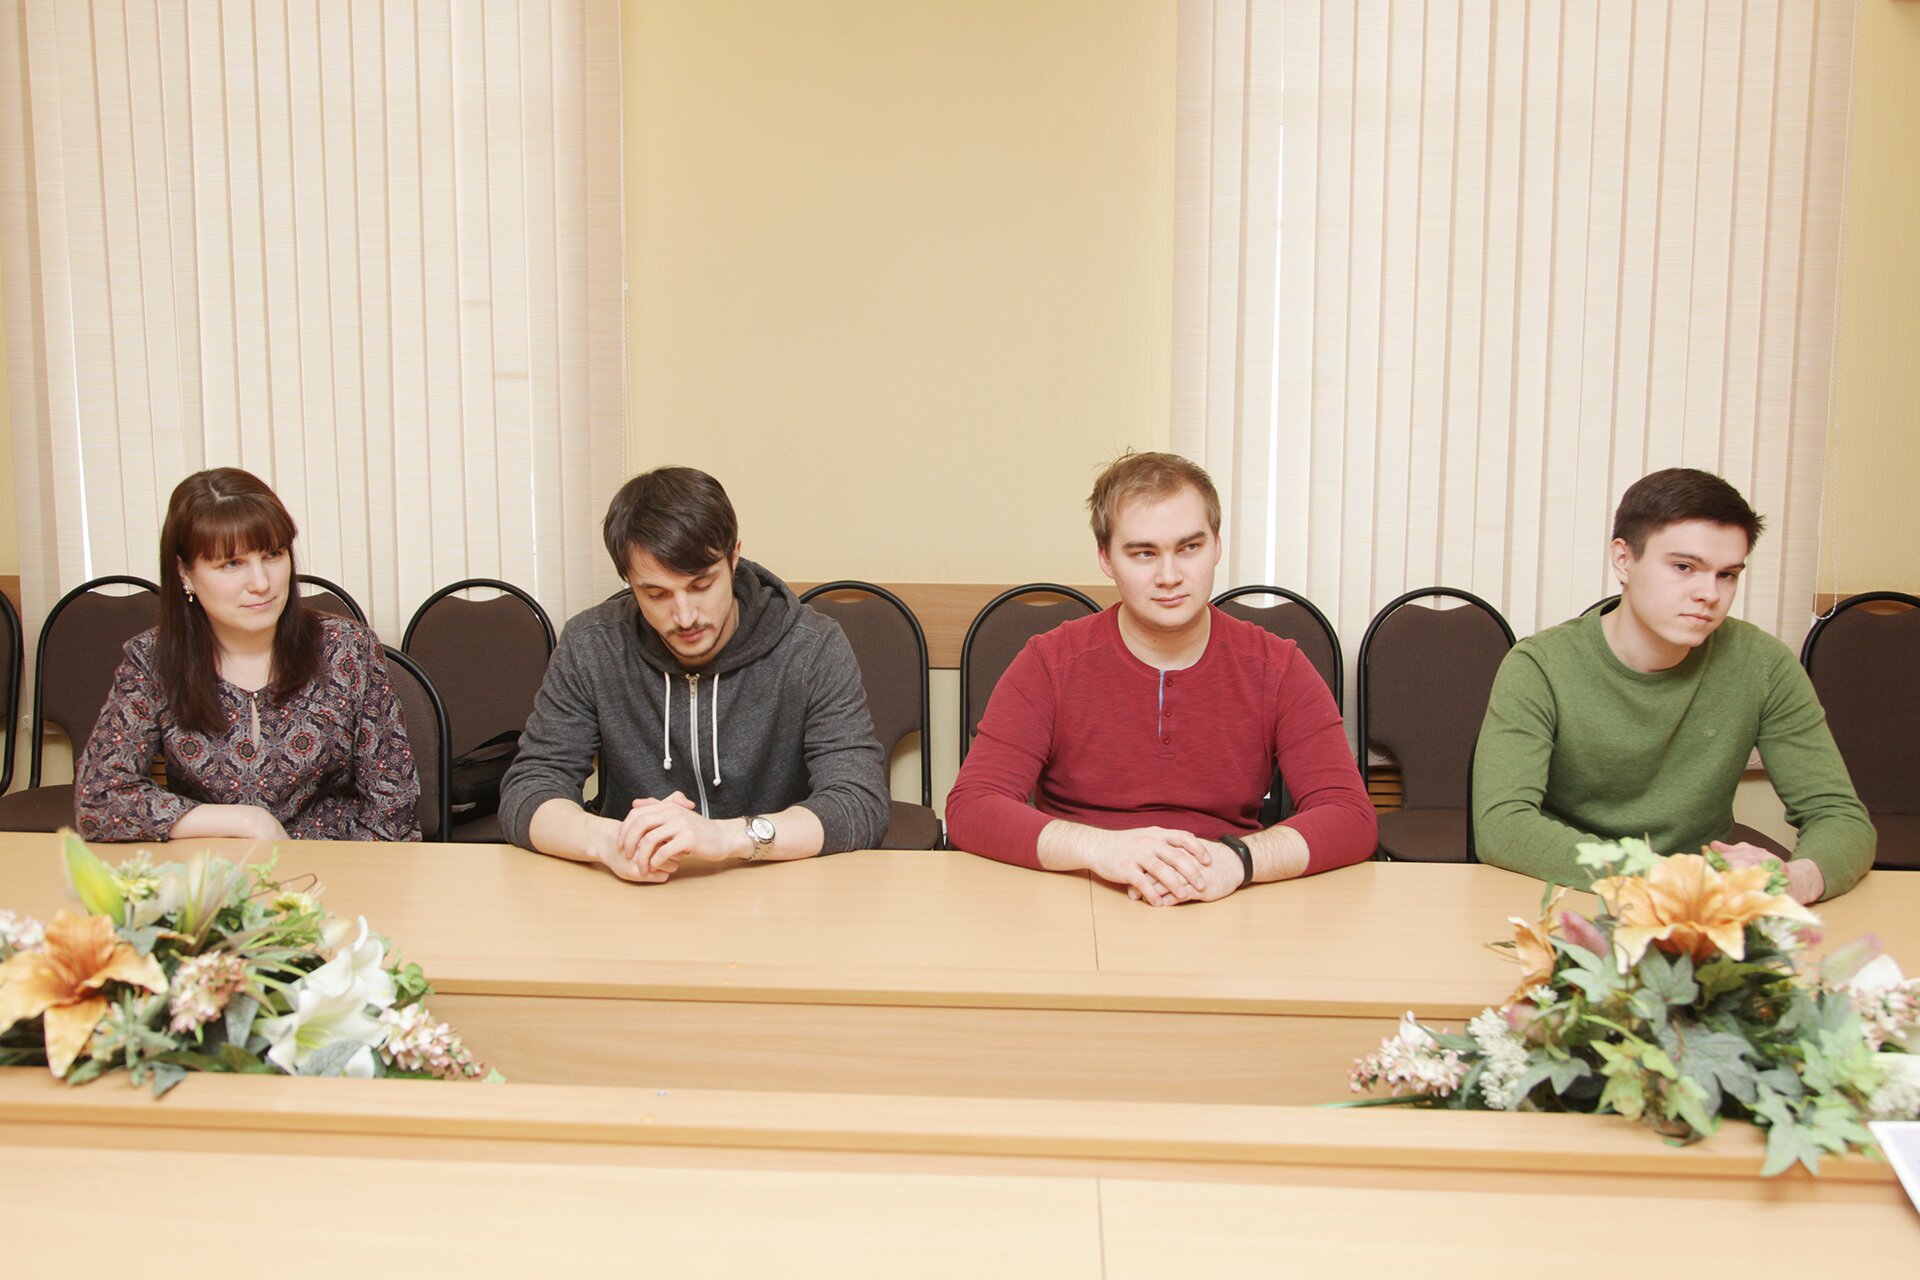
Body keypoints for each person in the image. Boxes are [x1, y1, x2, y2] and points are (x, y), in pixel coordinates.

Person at [944, 451, 1377, 904]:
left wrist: (1238, 860)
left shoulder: (1278, 666)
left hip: (1224, 894)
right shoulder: (1049, 663)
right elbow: (973, 805)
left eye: (1189, 548)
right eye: (1144, 553)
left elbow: (1351, 815)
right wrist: (1101, 849)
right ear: (1106, 559)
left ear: (1217, 546)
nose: (1169, 576)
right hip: (1079, 892)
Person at [1473, 467, 1874, 903]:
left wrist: (1796, 879)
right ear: (1624, 560)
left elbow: (1840, 815)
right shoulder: (1540, 665)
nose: (1709, 593)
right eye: (1684, 567)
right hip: (1570, 889)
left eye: (1727, 575)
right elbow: (1503, 825)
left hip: (1704, 904)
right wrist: (1671, 877)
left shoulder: (1763, 663)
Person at [498, 466, 889, 881]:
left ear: (734, 558)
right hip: (641, 887)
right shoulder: (592, 645)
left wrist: (725, 837)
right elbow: (530, 788)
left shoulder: (811, 646)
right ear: (629, 582)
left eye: (701, 586)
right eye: (656, 594)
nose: (685, 617)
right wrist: (609, 842)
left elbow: (858, 801)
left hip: (776, 883)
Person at [75, 468, 421, 842]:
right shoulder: (152, 660)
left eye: (273, 554)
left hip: (332, 863)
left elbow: (393, 810)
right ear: (184, 573)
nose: (261, 583)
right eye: (232, 563)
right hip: (213, 865)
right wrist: (246, 822)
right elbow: (99, 798)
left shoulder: (347, 648)